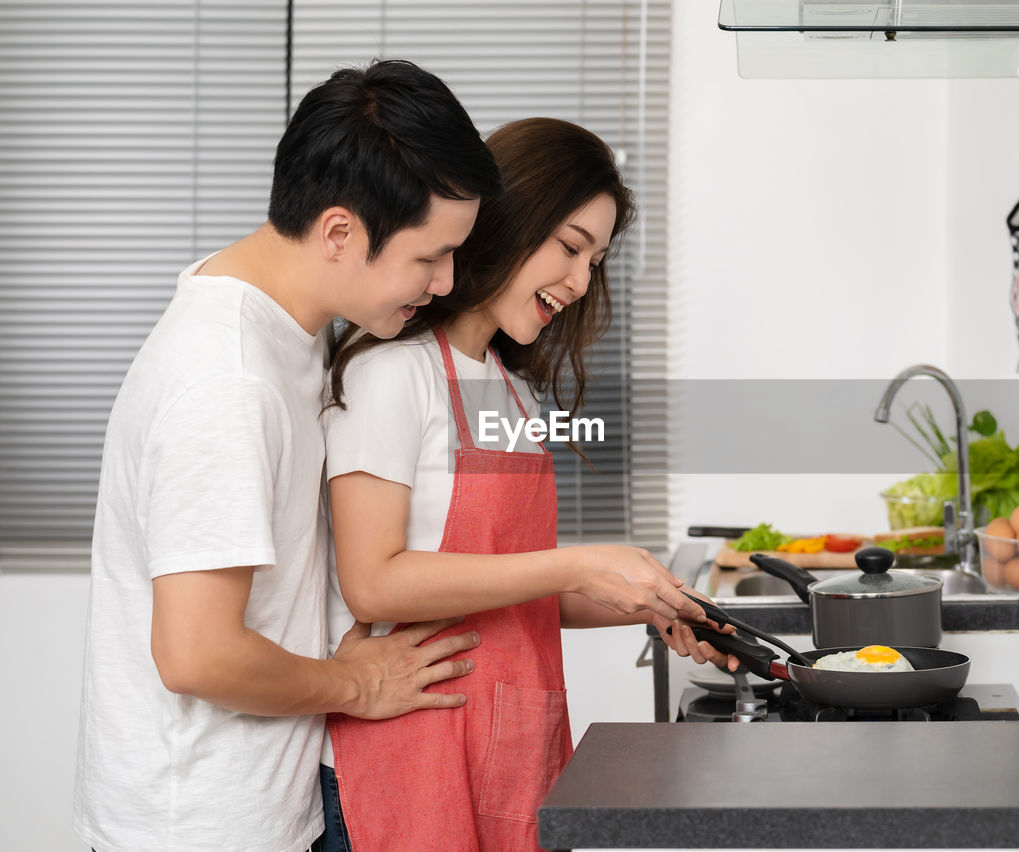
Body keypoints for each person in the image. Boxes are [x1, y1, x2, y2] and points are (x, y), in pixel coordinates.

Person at [72, 59, 506, 852]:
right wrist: (357, 683)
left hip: (262, 807)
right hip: (202, 831)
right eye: (428, 257)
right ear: (339, 232)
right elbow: (197, 652)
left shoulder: (282, 320)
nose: (444, 283)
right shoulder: (226, 382)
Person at [319, 117, 731, 852]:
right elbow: (372, 584)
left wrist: (654, 604)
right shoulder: (394, 376)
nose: (579, 282)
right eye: (570, 247)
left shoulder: (512, 394)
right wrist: (583, 560)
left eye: (595, 262)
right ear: (508, 218)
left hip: (510, 751)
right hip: (411, 757)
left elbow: (514, 591)